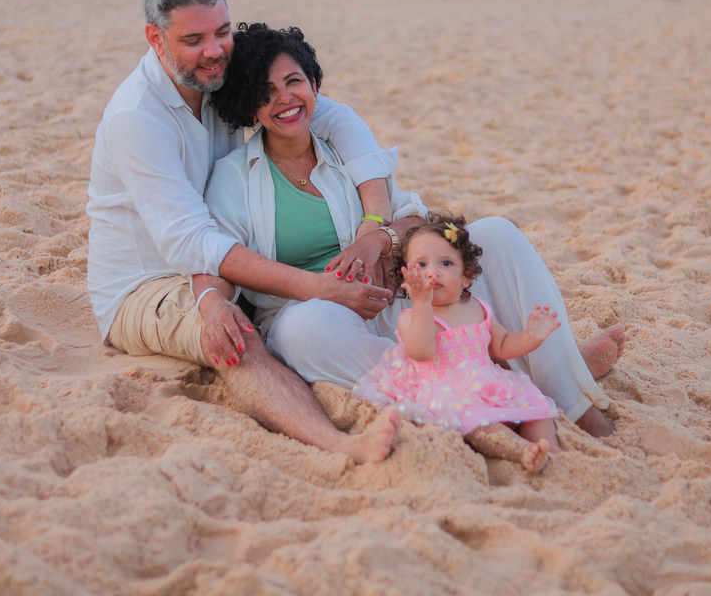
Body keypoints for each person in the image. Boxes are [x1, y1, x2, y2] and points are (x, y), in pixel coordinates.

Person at [206, 22, 626, 438]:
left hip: (404, 301)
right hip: (317, 315)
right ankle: (483, 390)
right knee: (304, 334)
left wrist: (380, 240)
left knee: (496, 233)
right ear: (250, 105)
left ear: (314, 84)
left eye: (293, 81)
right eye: (266, 92)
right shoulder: (234, 178)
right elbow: (222, 260)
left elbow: (415, 219)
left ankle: (570, 396)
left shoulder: (345, 151)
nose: (285, 99)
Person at [86, 0, 403, 464]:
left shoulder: (217, 73)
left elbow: (328, 111)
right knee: (234, 336)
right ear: (156, 37)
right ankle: (340, 443)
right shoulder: (136, 117)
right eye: (193, 39)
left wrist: (374, 223)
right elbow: (188, 243)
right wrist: (313, 286)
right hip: (149, 282)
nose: (213, 51)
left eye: (221, 31)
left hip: (228, 251)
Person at [353, 215, 564, 473]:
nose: (433, 272)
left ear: (466, 276)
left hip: (488, 385)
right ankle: (519, 449)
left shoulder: (478, 308)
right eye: (421, 264)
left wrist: (531, 337)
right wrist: (421, 304)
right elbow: (421, 352)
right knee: (475, 420)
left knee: (536, 405)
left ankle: (551, 449)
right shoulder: (411, 317)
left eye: (446, 263)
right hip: (444, 395)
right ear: (407, 279)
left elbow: (503, 345)